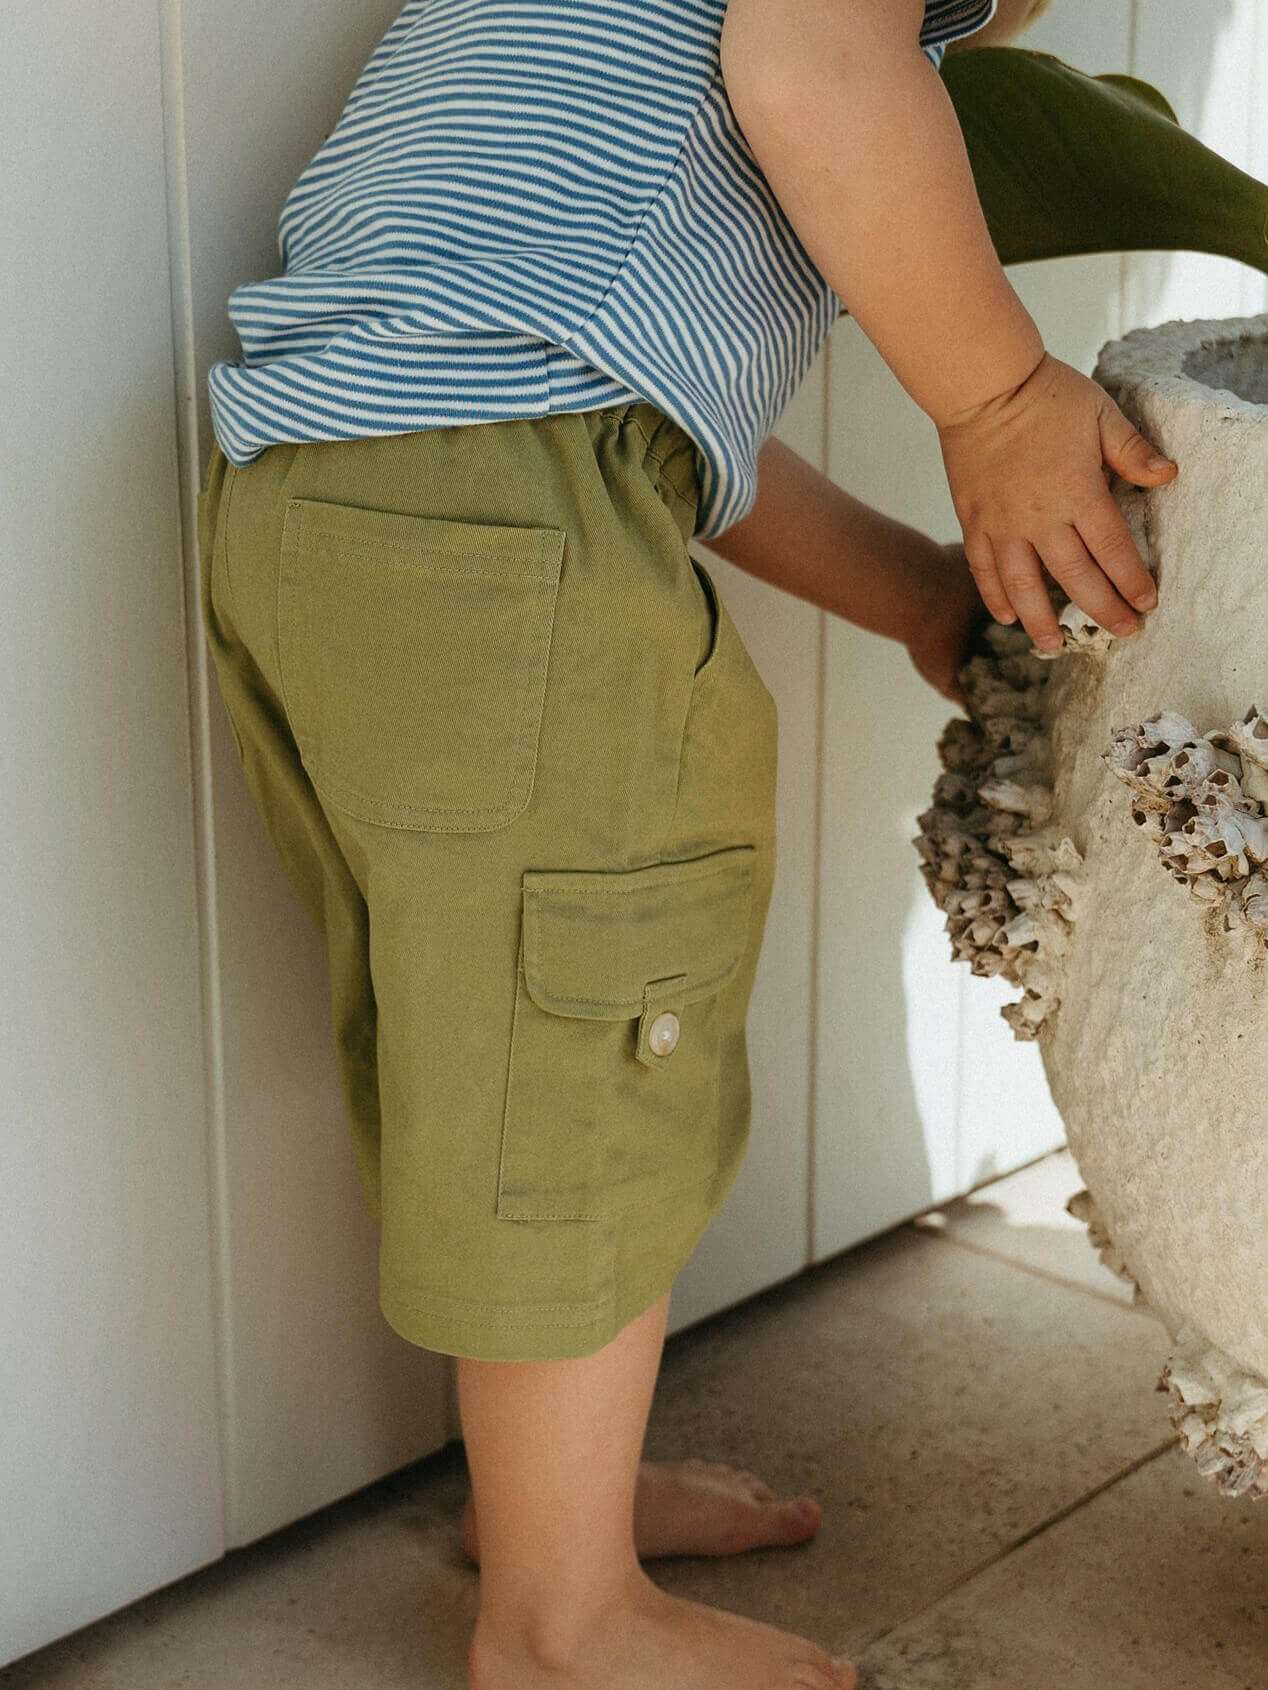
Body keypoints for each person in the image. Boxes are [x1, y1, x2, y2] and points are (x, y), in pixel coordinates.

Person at [195, 0, 1177, 1685]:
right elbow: (812, 66)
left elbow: (639, 414)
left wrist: (921, 597)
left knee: (510, 1047)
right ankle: (562, 1627)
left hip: (354, 492)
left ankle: (549, 1513)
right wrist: (1001, 393)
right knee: (586, 1044)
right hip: (495, 504)